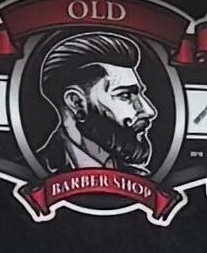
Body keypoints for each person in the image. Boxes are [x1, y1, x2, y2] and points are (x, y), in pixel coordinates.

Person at [33, 29, 158, 175]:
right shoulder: (36, 168)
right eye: (125, 95)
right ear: (76, 102)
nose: (149, 111)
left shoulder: (138, 176)